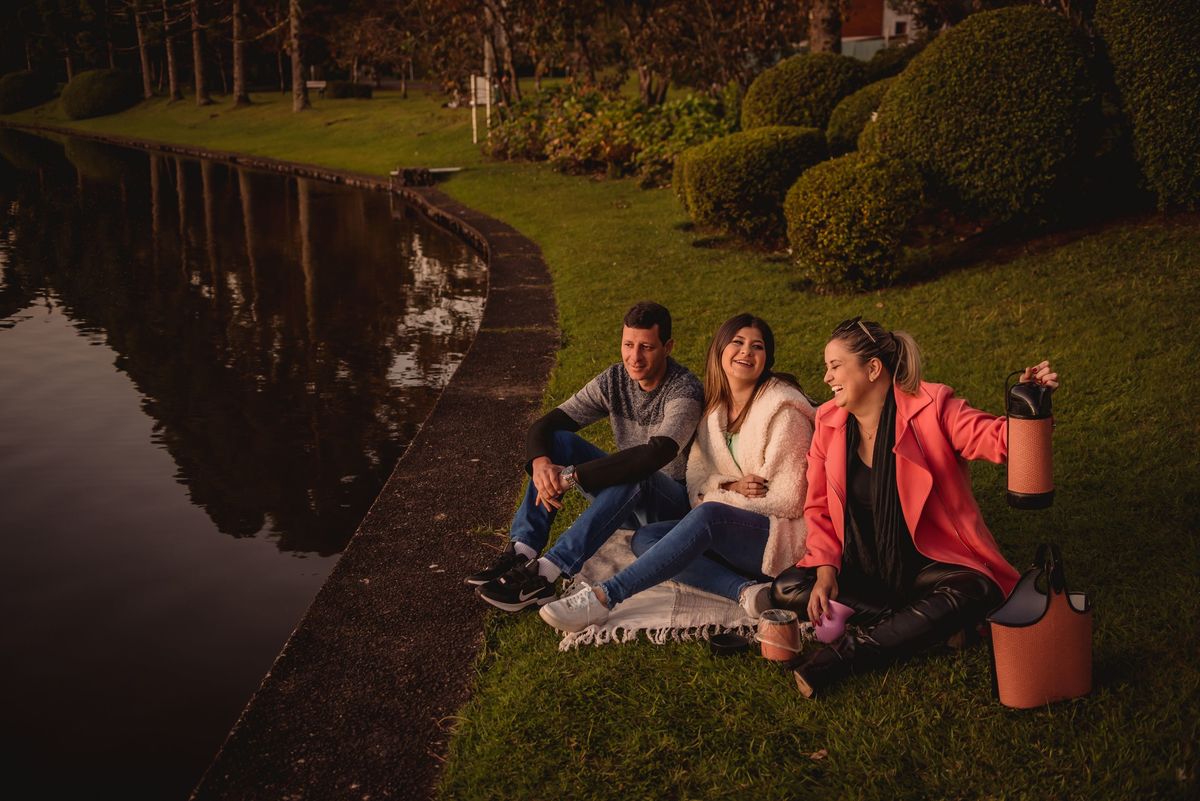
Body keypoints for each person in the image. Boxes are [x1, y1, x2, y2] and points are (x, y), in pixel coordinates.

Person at [773, 317, 1059, 698]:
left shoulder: (932, 407)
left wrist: (1029, 407)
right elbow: (819, 506)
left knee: (975, 588)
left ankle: (847, 654)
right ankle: (927, 625)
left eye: (835, 366)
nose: (827, 378)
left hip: (929, 567)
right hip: (865, 567)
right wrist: (826, 572)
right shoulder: (828, 421)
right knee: (788, 587)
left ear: (873, 369)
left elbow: (996, 438)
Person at [539, 313, 815, 633]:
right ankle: (746, 592)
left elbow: (791, 498)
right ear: (720, 349)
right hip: (730, 530)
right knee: (647, 538)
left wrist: (721, 502)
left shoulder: (783, 411)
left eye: (757, 346)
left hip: (777, 538)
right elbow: (697, 478)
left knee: (709, 514)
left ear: (767, 358)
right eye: (737, 342)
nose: (746, 352)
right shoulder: (715, 411)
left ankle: (603, 598)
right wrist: (728, 487)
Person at [466, 301, 704, 611]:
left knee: (636, 471)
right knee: (559, 441)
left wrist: (572, 477)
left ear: (667, 347)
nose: (634, 357)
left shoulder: (684, 390)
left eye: (646, 347)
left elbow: (654, 456)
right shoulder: (615, 380)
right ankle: (523, 551)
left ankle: (546, 574)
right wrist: (541, 465)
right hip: (625, 498)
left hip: (670, 507)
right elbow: (545, 426)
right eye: (628, 345)